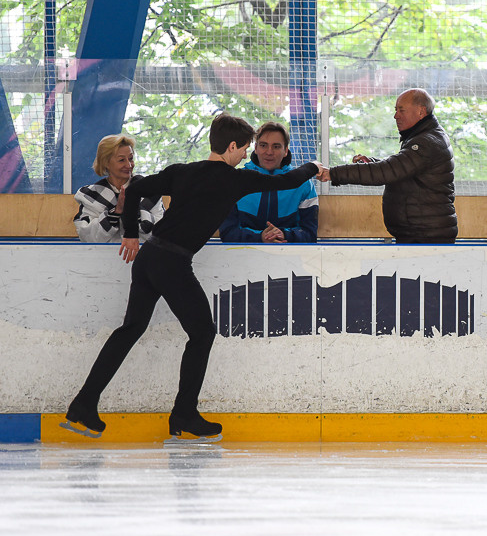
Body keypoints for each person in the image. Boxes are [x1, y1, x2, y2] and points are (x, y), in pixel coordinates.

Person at [62, 113, 323, 442]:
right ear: (231, 147)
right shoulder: (235, 180)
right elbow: (287, 181)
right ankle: (184, 414)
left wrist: (130, 233)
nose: (246, 155)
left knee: (131, 329)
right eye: (244, 149)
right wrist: (314, 165)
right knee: (202, 333)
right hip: (171, 261)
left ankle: (84, 404)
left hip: (149, 259)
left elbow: (138, 186)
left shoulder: (183, 171)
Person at [317, 88, 457, 243]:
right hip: (422, 234)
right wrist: (373, 163)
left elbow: (388, 171)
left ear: (421, 111)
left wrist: (333, 173)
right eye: (395, 110)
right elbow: (400, 169)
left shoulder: (426, 142)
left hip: (427, 238)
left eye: (401, 110)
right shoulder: (426, 137)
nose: (396, 116)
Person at [219, 121, 318, 243]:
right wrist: (260, 237)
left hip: (289, 255)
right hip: (241, 256)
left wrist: (284, 234)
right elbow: (227, 233)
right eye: (263, 145)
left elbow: (310, 234)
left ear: (286, 150)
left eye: (276, 146)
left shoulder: (304, 185)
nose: (269, 152)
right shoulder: (235, 181)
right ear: (255, 148)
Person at [73, 134, 164, 242]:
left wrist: (133, 209)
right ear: (106, 163)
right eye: (121, 160)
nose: (129, 165)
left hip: (143, 255)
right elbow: (87, 237)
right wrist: (115, 212)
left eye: (130, 158)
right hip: (101, 257)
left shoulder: (149, 190)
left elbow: (161, 233)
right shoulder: (90, 195)